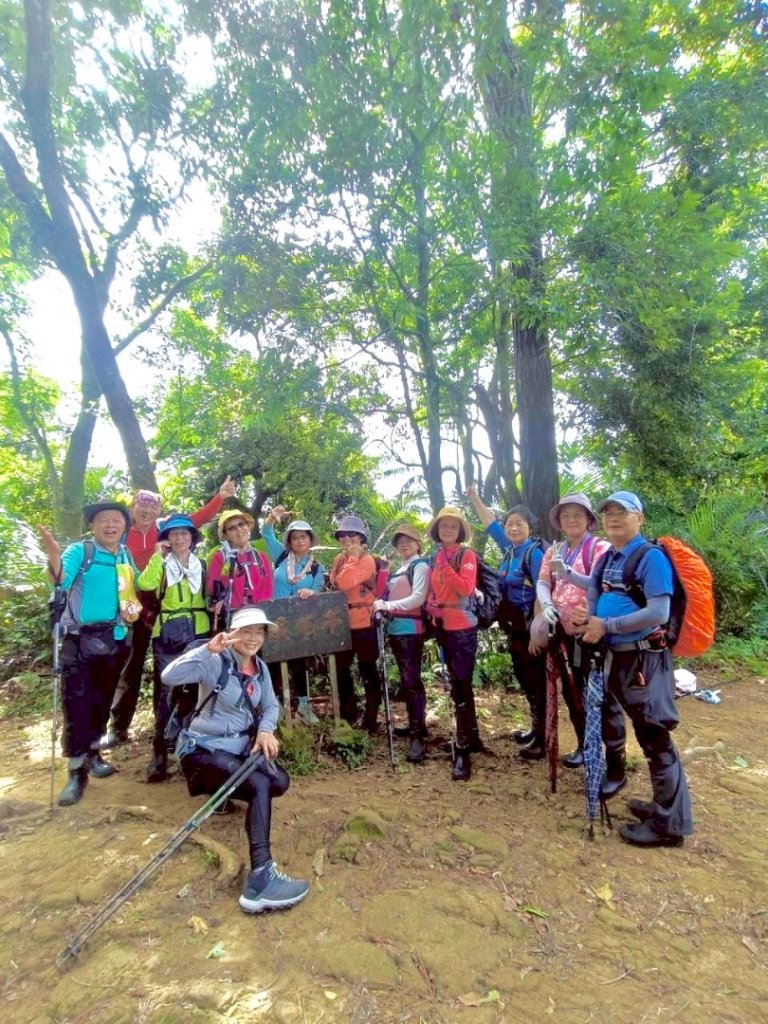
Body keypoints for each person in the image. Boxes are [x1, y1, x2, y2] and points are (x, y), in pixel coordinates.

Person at [162, 608, 309, 912]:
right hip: (201, 751)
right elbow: (169, 676)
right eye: (247, 630)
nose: (253, 637)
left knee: (278, 781)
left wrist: (265, 732)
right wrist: (207, 650)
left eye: (259, 632)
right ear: (233, 632)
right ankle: (261, 878)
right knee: (257, 784)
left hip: (237, 751)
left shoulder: (262, 669)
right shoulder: (214, 662)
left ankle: (220, 797)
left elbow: (270, 707)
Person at [579, 490, 693, 848]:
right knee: (646, 735)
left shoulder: (650, 557)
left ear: (639, 518)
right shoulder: (609, 557)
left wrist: (606, 626)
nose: (613, 518)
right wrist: (589, 620)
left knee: (655, 735)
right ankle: (663, 808)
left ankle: (669, 826)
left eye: (622, 513)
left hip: (644, 659)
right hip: (619, 657)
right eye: (608, 513)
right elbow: (596, 595)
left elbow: (658, 613)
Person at [105, 476, 235, 747]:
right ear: (132, 508)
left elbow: (196, 520)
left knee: (174, 674)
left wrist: (220, 498)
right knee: (129, 669)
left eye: (154, 507)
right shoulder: (121, 532)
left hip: (156, 609)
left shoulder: (164, 532)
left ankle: (174, 728)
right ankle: (119, 727)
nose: (148, 511)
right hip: (128, 610)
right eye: (143, 506)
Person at [38, 502, 138, 806]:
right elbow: (59, 580)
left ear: (124, 526)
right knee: (76, 704)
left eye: (117, 521)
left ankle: (94, 752)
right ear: (92, 525)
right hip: (79, 641)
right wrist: (54, 554)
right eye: (104, 520)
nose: (111, 525)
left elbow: (131, 587)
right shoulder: (81, 551)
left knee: (102, 700)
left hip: (114, 639)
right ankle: (76, 769)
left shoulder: (124, 554)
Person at [466, 486, 547, 761]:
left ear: (530, 527)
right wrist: (475, 498)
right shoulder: (509, 550)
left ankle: (544, 739)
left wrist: (538, 631)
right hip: (514, 628)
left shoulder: (533, 554)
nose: (513, 528)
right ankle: (537, 728)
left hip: (530, 627)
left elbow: (542, 591)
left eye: (519, 524)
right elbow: (490, 523)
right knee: (525, 678)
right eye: (510, 524)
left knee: (537, 681)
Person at [531, 493, 610, 767]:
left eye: (577, 514)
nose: (571, 520)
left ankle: (601, 750)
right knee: (571, 691)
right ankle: (583, 744)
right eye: (566, 515)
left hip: (589, 632)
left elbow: (599, 585)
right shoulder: (555, 550)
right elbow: (543, 582)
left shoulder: (600, 548)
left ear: (589, 519)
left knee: (593, 692)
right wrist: (546, 603)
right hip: (560, 632)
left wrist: (566, 573)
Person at [137, 513, 212, 783]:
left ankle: (191, 749)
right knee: (166, 691)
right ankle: (160, 752)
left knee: (196, 691)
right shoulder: (161, 564)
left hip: (198, 630)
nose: (180, 538)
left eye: (185, 533)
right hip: (168, 632)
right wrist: (157, 557)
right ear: (167, 539)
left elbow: (211, 593)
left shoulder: (200, 565)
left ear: (192, 538)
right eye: (174, 534)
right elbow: (144, 584)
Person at [424, 506, 480, 781]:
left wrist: (446, 567)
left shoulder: (465, 555)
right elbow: (436, 589)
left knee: (462, 684)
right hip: (443, 626)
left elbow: (466, 588)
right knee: (454, 686)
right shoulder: (435, 555)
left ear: (459, 531)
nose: (447, 530)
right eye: (444, 526)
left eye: (453, 526)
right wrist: (432, 604)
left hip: (463, 629)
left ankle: (464, 750)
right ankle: (470, 737)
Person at [261, 505, 327, 724]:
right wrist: (273, 517)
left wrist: (312, 592)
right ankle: (275, 706)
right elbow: (266, 532)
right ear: (289, 541)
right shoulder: (281, 556)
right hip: (275, 618)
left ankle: (304, 707)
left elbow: (318, 593)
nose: (300, 541)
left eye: (304, 537)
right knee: (273, 662)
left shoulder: (317, 568)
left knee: (300, 664)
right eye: (295, 537)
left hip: (300, 621)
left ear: (310, 540)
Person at [373, 524, 431, 763]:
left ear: (418, 544)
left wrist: (388, 607)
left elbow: (419, 596)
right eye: (399, 542)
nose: (403, 545)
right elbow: (383, 594)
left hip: (411, 630)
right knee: (408, 681)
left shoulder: (421, 566)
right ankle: (416, 725)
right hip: (396, 630)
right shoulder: (401, 569)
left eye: (408, 540)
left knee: (411, 681)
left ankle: (418, 735)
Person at [329, 515, 383, 731]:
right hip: (343, 623)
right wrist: (347, 561)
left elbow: (343, 582)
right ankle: (349, 712)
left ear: (361, 538)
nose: (347, 539)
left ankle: (371, 717)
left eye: (352, 535)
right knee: (341, 669)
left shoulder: (367, 560)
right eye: (342, 535)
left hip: (365, 622)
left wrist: (352, 559)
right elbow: (334, 581)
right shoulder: (337, 560)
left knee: (367, 669)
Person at [207, 509, 273, 626]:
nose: (238, 529)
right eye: (232, 528)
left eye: (241, 524)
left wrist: (258, 609)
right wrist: (227, 572)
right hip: (232, 616)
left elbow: (267, 587)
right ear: (225, 535)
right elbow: (212, 589)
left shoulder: (260, 557)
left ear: (248, 527)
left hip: (257, 614)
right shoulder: (220, 557)